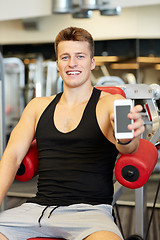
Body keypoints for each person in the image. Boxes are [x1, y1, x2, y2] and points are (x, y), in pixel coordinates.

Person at [0, 27, 144, 240]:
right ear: (58, 63)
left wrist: (127, 137)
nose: (72, 63)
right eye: (65, 57)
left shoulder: (111, 103)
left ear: (92, 62)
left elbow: (128, 147)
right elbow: (12, 158)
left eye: (80, 56)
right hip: (36, 211)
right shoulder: (38, 106)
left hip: (90, 214)